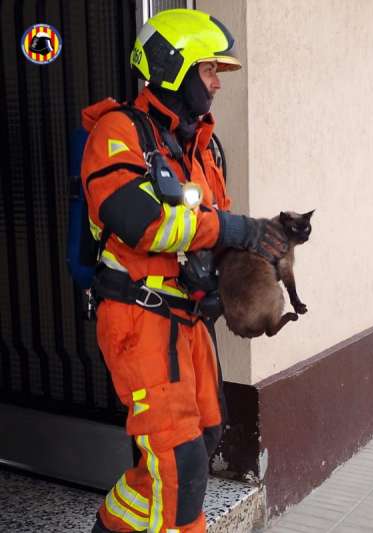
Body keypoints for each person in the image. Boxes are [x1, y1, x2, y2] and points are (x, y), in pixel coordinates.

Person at [82, 9, 287, 533]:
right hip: (139, 318)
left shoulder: (200, 146)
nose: (217, 83)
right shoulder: (117, 132)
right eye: (209, 69)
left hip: (190, 323)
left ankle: (110, 525)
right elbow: (140, 221)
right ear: (172, 67)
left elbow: (211, 229)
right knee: (181, 467)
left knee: (207, 437)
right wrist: (233, 229)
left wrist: (241, 277)